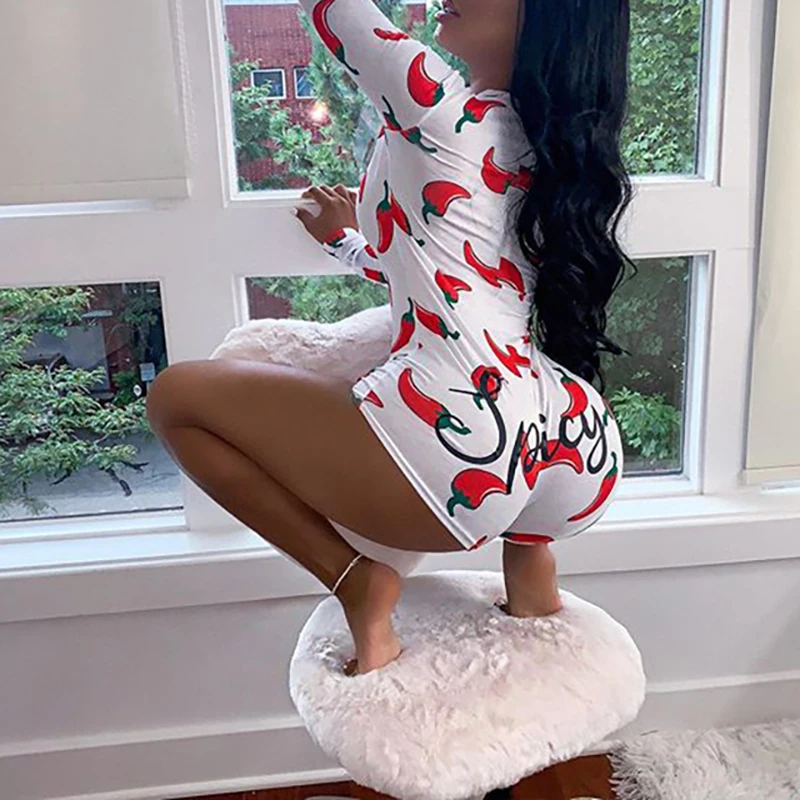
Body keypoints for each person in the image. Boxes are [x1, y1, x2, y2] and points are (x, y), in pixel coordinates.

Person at [147, 0, 636, 676]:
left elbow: (334, 10)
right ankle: (532, 570)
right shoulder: (556, 146)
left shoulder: (435, 104)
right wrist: (348, 243)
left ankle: (355, 580)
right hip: (575, 441)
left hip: (461, 438)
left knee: (175, 399)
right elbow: (451, 266)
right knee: (521, 505)